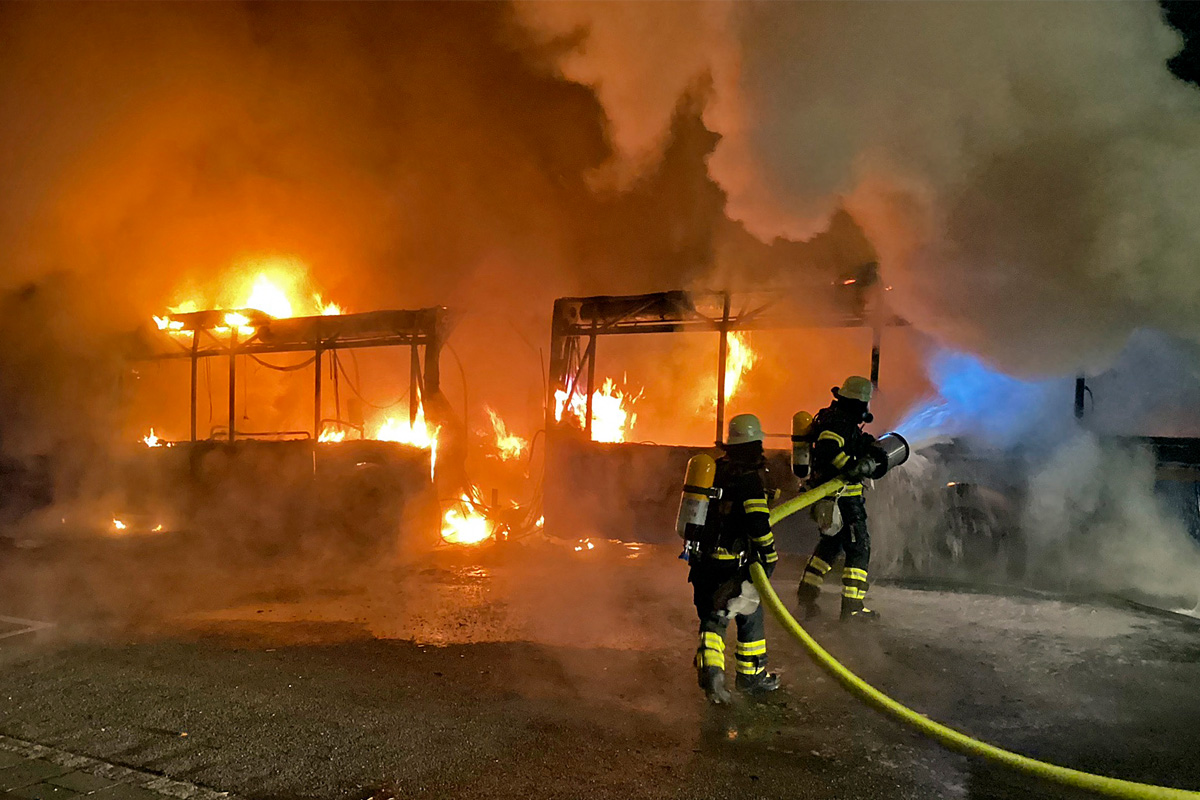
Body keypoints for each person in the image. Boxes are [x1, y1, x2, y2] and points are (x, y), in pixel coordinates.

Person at [688, 413, 781, 704]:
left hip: (702, 563)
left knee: (713, 618)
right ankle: (750, 677)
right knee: (749, 615)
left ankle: (711, 670)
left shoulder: (714, 470)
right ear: (755, 445)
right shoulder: (749, 480)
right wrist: (769, 555)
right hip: (732, 565)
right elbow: (758, 524)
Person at [796, 376, 880, 622]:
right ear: (858, 402)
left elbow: (847, 443)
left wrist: (867, 446)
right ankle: (852, 607)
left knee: (830, 546)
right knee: (859, 547)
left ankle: (807, 595)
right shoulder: (838, 422)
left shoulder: (839, 419)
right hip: (843, 499)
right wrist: (852, 467)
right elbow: (828, 449)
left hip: (834, 497)